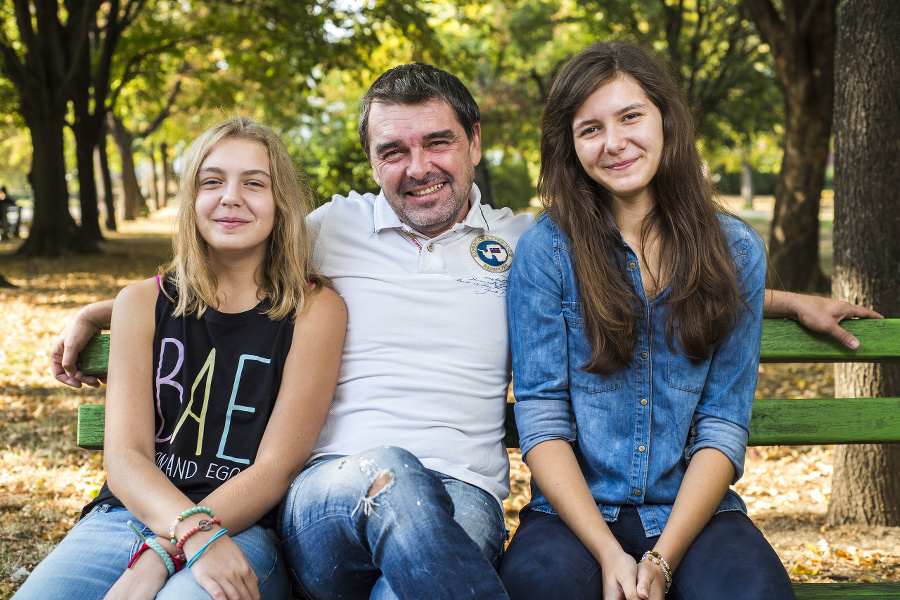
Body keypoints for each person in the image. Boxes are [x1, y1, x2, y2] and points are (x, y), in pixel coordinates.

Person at [48, 64, 879, 598]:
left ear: (475, 144)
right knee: (391, 474)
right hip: (332, 497)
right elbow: (221, 252)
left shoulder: (526, 245)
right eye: (393, 150)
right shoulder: (329, 231)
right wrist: (107, 310)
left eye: (438, 141)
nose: (418, 167)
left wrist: (789, 299)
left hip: (466, 506)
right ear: (371, 161)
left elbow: (647, 279)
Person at [497, 40, 796, 599]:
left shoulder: (735, 251)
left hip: (696, 514)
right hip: (574, 515)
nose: (614, 143)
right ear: (570, 146)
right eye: (589, 129)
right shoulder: (547, 252)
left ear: (665, 117)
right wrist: (611, 553)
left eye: (630, 116)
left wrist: (660, 560)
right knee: (534, 589)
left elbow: (722, 427)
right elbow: (542, 420)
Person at [16, 117, 346, 600]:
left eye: (254, 183)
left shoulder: (314, 311)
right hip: (128, 516)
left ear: (282, 203)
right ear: (191, 199)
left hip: (243, 529)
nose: (230, 197)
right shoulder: (141, 303)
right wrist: (179, 532)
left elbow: (276, 467)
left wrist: (170, 548)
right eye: (211, 181)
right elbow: (126, 457)